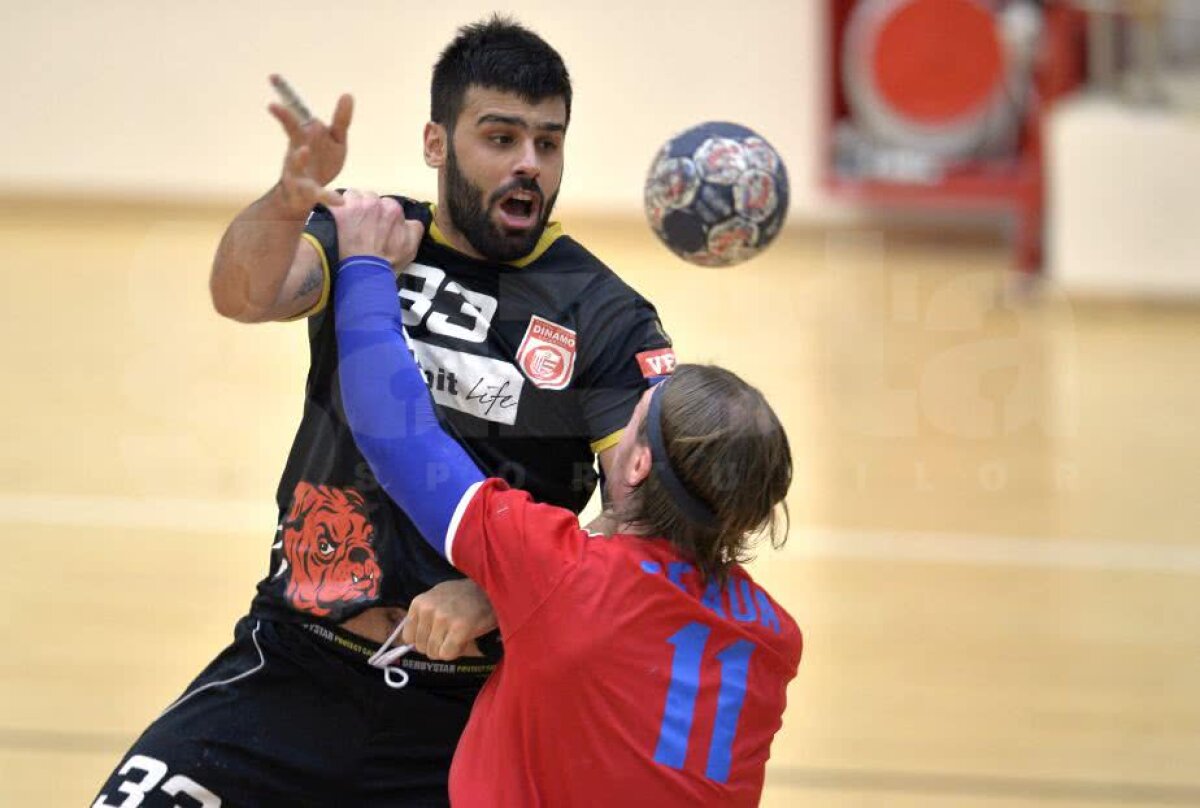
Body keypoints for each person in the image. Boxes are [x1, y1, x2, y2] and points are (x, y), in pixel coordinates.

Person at [93, 16, 675, 808]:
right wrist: (291, 196)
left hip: (474, 712)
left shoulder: (606, 317)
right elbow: (241, 293)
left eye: (548, 142)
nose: (528, 165)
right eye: (500, 137)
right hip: (292, 665)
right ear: (437, 144)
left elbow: (652, 522)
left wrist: (505, 591)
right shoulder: (367, 233)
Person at [328, 190, 803, 806]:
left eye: (636, 415)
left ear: (636, 463)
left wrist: (364, 268)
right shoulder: (775, 639)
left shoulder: (556, 569)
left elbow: (394, 433)